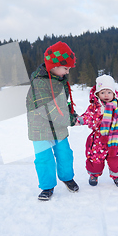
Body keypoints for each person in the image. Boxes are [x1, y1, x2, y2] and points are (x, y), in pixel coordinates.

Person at [25, 41, 79, 201]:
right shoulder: (39, 83)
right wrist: (70, 120)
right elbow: (48, 109)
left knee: (65, 154)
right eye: (66, 68)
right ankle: (47, 186)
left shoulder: (60, 81)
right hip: (40, 129)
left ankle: (67, 177)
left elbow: (63, 104)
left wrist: (72, 115)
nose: (67, 72)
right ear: (54, 66)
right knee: (44, 158)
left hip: (58, 127)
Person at [78, 75, 118, 187]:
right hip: (98, 140)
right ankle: (94, 174)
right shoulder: (94, 107)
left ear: (114, 94)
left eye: (109, 92)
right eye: (102, 93)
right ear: (97, 94)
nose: (106, 95)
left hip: (114, 140)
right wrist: (80, 120)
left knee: (116, 159)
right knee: (95, 160)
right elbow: (87, 116)